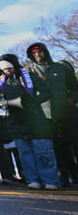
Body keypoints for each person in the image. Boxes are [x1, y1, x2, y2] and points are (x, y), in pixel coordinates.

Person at [0, 54, 59, 189]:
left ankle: (50, 180)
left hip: (35, 120)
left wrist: (33, 102)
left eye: (9, 68)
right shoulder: (1, 82)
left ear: (15, 65)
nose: (7, 71)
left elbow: (46, 92)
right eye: (4, 69)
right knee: (25, 154)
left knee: (42, 151)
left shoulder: (29, 76)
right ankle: (33, 179)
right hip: (16, 122)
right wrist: (2, 104)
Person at [26, 43, 78, 186]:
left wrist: (70, 101)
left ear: (46, 52)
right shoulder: (28, 72)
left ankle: (75, 174)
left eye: (40, 52)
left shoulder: (62, 68)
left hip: (67, 113)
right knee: (55, 148)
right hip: (45, 117)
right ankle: (63, 176)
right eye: (34, 53)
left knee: (74, 144)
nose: (37, 55)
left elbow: (75, 88)